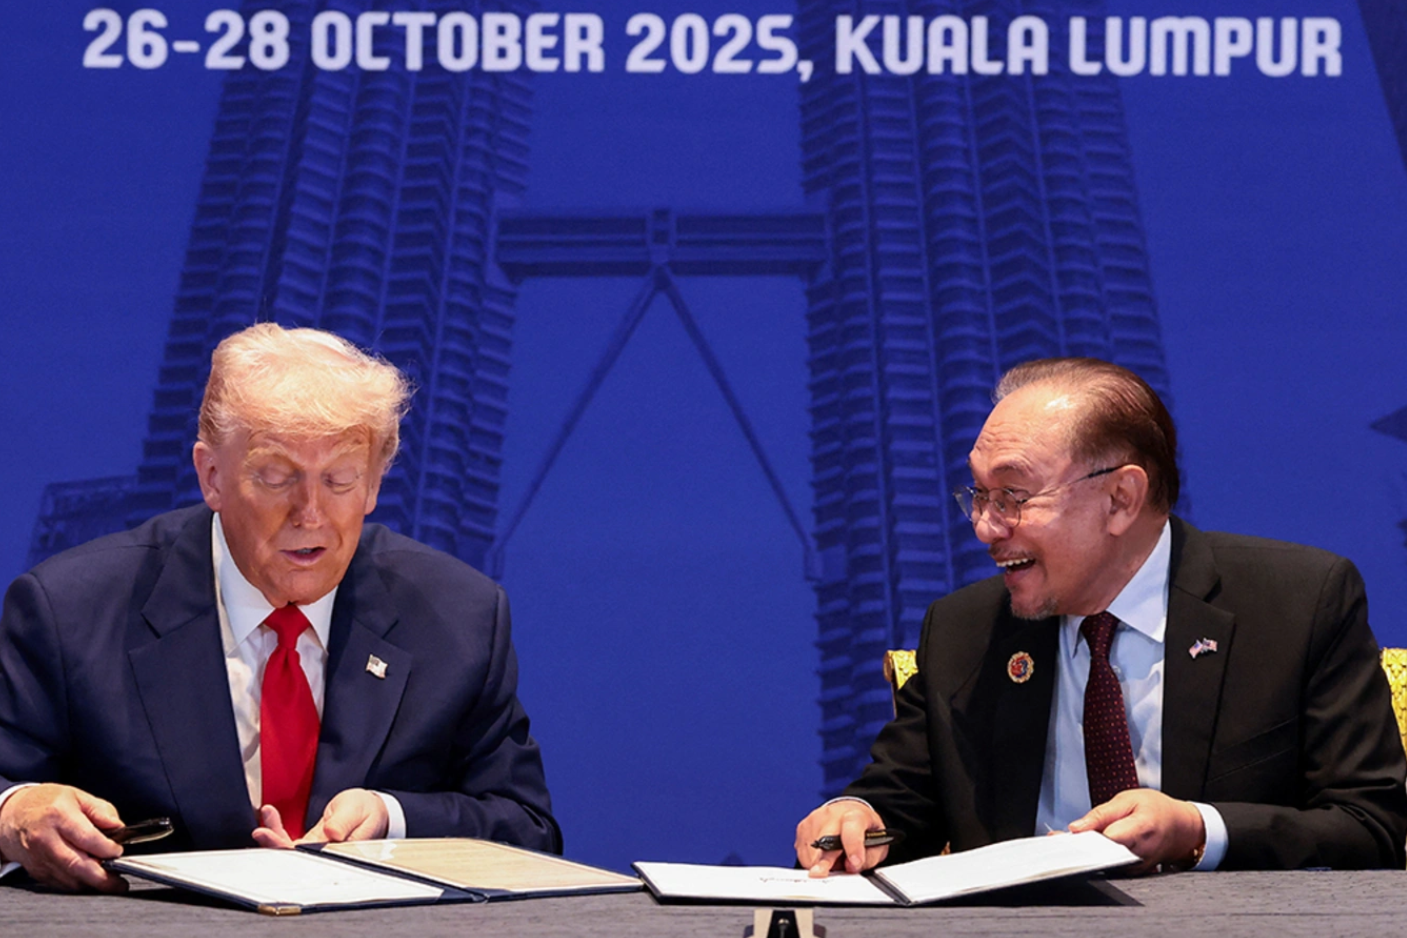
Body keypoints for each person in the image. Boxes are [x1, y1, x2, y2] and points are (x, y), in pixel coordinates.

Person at [0, 324, 560, 891]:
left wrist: (391, 819)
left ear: (373, 485)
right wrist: (14, 811)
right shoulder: (69, 610)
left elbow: (527, 829)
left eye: (340, 479)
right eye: (276, 477)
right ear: (212, 476)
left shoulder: (459, 618)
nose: (310, 513)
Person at [795, 357, 1407, 875]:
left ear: (1120, 498)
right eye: (978, 495)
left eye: (1012, 496)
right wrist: (857, 816)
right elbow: (900, 798)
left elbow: (1373, 825)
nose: (985, 527)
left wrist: (1199, 830)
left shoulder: (1295, 604)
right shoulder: (964, 631)